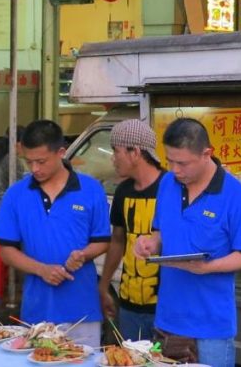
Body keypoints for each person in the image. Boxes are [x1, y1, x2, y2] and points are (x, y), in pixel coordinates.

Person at [134, 118, 241, 367]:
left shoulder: (235, 196)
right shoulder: (168, 184)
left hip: (210, 327)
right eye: (169, 161)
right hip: (167, 321)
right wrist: (150, 243)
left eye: (182, 163)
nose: (174, 169)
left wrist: (206, 268)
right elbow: (161, 233)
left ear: (207, 154)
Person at [0, 120, 110, 347]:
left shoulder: (91, 189)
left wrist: (83, 255)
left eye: (41, 161)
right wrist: (41, 270)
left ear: (61, 153)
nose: (34, 169)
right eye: (29, 162)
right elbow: (6, 251)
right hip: (37, 312)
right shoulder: (16, 195)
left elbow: (102, 241)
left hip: (82, 311)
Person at [100, 120, 166, 342]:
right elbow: (118, 240)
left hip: (164, 308)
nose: (113, 158)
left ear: (135, 152)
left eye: (116, 151)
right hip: (128, 305)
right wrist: (104, 285)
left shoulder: (170, 188)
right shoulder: (123, 191)